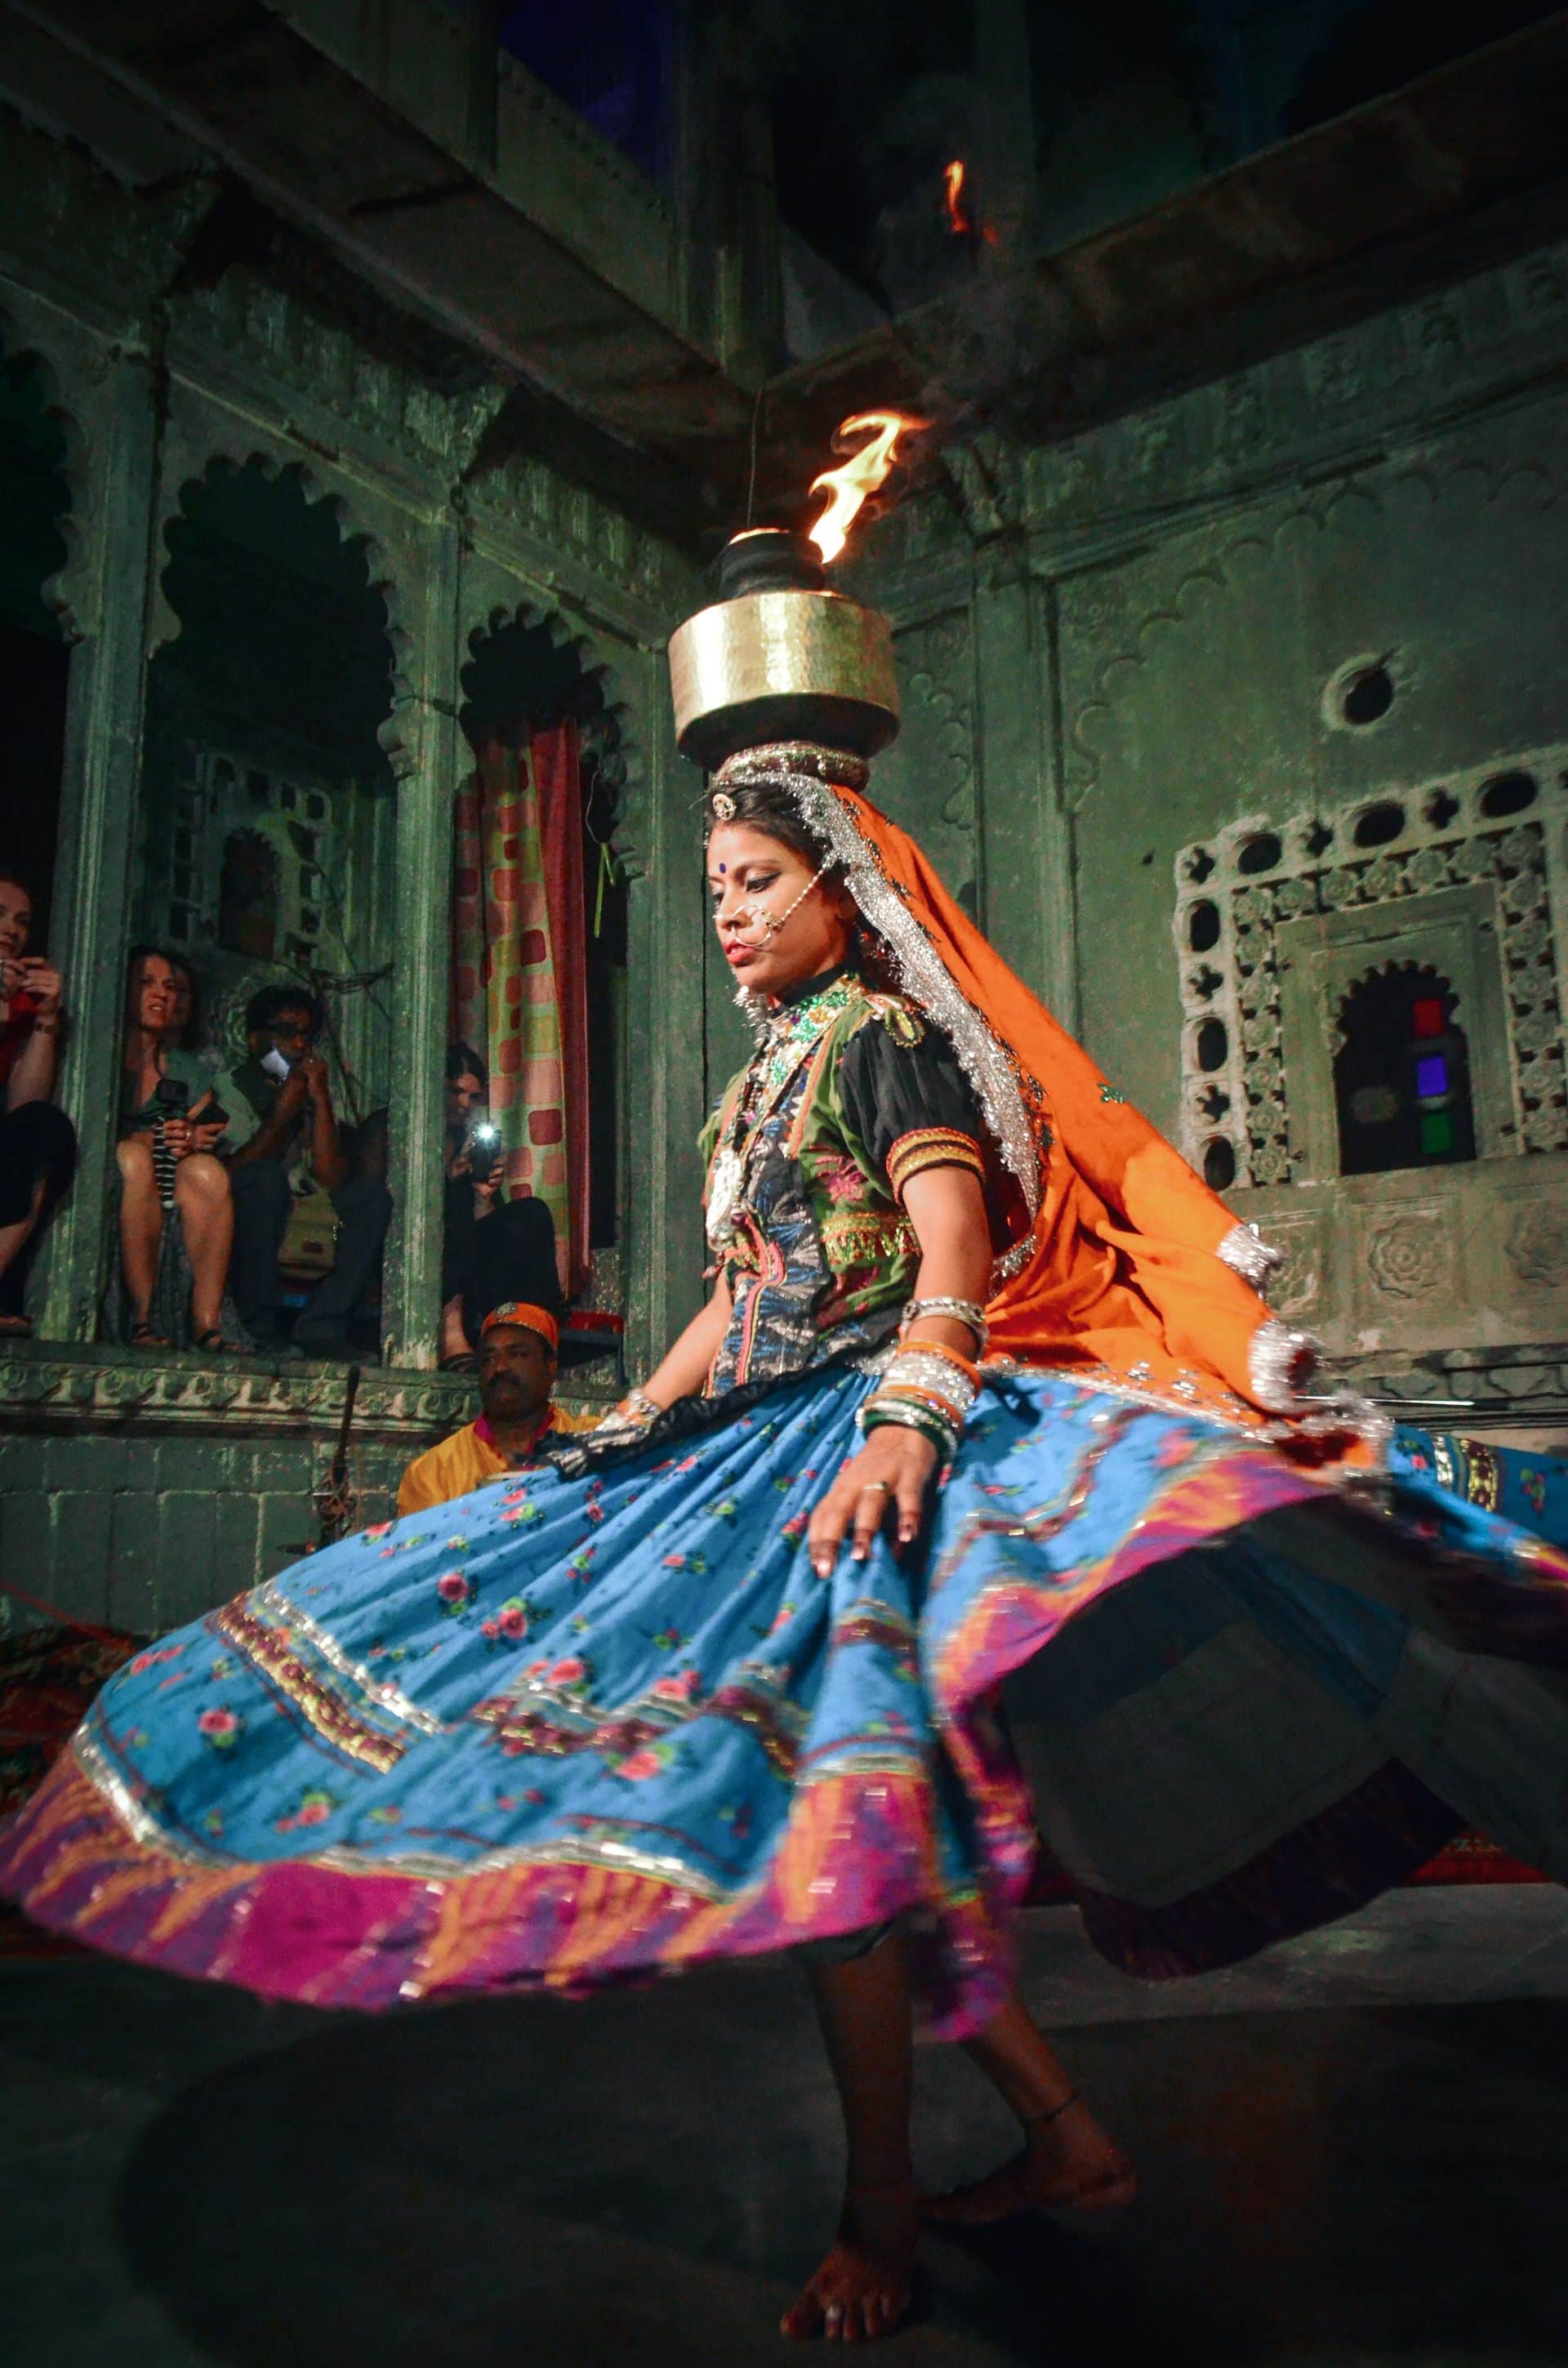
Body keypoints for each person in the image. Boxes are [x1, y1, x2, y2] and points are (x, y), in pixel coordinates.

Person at [9, 745, 1568, 2349]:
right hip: (754, 1445)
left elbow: (948, 1238)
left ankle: (881, 2210)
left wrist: (911, 1410)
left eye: (759, 884)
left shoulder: (885, 1039)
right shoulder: (758, 1079)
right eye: (715, 895)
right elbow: (734, 1289)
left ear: (845, 889)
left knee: (847, 1836)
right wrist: (635, 1420)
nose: (733, 917)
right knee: (865, 1830)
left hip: (861, 1451)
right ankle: (1054, 2133)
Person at [215, 982, 392, 1360]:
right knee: (264, 1180)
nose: (299, 1046)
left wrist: (320, 1100)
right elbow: (232, 1171)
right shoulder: (229, 1088)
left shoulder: (309, 1091)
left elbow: (331, 1177)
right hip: (251, 1201)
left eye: (306, 1037)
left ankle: (322, 1326)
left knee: (371, 1198)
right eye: (286, 1033)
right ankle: (258, 1326)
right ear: (254, 1040)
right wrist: (281, 1116)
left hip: (308, 1204)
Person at [114, 946, 239, 1352]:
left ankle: (207, 1324)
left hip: (168, 1174)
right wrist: (150, 1139)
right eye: (146, 983)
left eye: (170, 987)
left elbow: (211, 1122)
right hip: (118, 1167)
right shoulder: (104, 1052)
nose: (161, 995)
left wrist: (196, 1136)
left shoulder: (182, 1065)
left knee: (208, 1173)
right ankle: (142, 1318)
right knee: (134, 1160)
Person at [397, 1301, 598, 1514]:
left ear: (550, 1367)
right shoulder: (434, 1472)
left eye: (517, 1354)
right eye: (488, 1359)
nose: (500, 1367)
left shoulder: (595, 1443)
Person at [439, 1041, 563, 1368]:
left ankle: (532, 1333)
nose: (464, 1104)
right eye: (455, 1092)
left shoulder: (469, 1142)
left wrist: (484, 1193)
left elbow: (488, 1231)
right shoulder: (399, 1129)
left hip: (469, 1259)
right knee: (454, 1195)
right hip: (419, 1255)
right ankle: (449, 1332)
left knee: (530, 1213)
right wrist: (449, 1179)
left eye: (473, 1096)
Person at [0, 863, 76, 1339]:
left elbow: (24, 1104)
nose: (12, 929)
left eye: (22, 921)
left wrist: (45, 1019)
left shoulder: (23, 1000)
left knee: (46, 1128)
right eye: (0, 915)